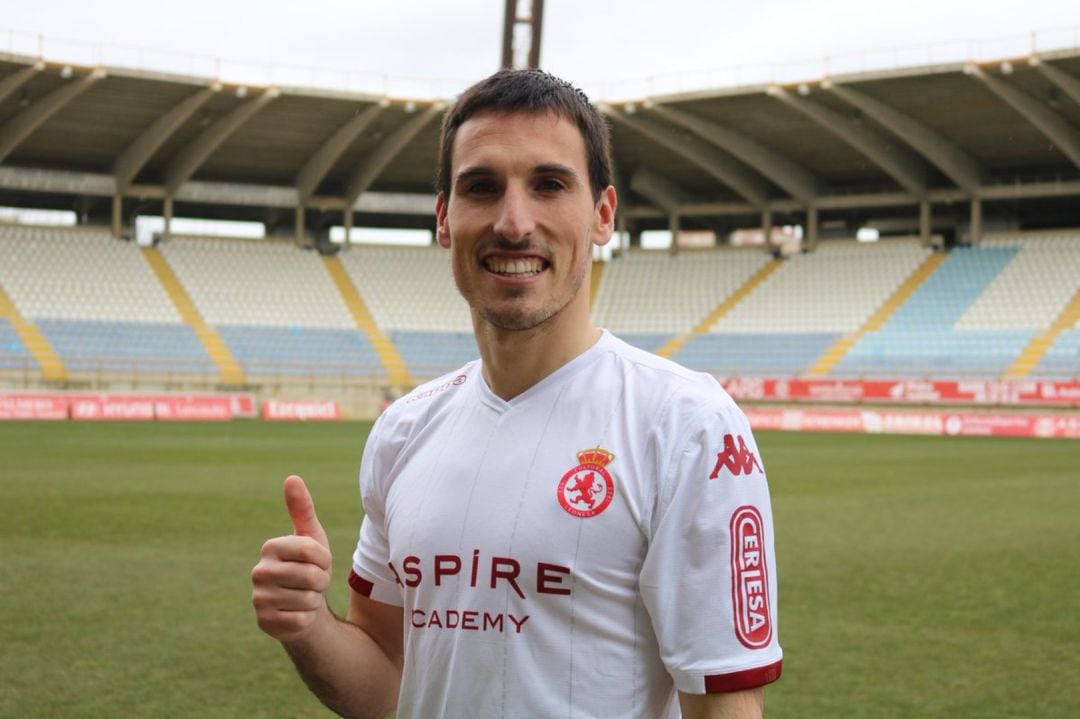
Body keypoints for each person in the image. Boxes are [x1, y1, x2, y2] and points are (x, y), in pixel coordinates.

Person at [252, 68, 782, 719]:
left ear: (602, 215)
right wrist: (308, 625)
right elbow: (390, 681)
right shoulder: (403, 430)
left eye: (549, 184)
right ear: (445, 219)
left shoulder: (686, 425)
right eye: (481, 187)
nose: (512, 221)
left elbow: (725, 707)